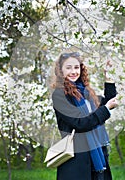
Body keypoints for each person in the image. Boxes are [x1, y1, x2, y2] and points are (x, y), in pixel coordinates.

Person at [51, 51, 119, 180]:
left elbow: (107, 102)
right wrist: (106, 108)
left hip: (96, 158)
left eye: (76, 67)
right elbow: (81, 123)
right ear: (61, 70)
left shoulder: (86, 92)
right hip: (76, 161)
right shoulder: (59, 95)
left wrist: (108, 77)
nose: (73, 71)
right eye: (68, 67)